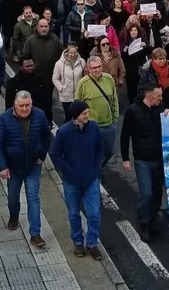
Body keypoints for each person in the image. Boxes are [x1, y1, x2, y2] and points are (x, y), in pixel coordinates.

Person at [0, 90, 52, 247]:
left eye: (28, 105)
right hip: (13, 167)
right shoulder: (5, 118)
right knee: (13, 196)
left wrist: (42, 155)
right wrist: (3, 166)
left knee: (33, 198)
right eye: (21, 106)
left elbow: (46, 136)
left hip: (33, 165)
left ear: (32, 103)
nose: (25, 109)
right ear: (15, 104)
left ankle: (35, 234)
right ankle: (14, 216)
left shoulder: (39, 115)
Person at [50, 100, 105, 259]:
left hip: (90, 178)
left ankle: (92, 243)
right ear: (76, 116)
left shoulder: (94, 128)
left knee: (94, 213)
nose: (87, 116)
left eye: (87, 112)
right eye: (84, 113)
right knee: (74, 213)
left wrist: (95, 166)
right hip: (71, 181)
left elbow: (100, 147)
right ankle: (78, 243)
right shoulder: (64, 132)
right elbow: (55, 154)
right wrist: (68, 169)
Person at [120, 83, 167, 243]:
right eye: (158, 96)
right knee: (146, 193)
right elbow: (125, 135)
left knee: (157, 193)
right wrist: (125, 158)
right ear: (149, 96)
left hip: (159, 158)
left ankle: (153, 219)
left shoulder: (160, 108)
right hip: (142, 160)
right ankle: (144, 223)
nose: (161, 99)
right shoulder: (133, 111)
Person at [75, 56, 120, 182]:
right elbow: (77, 105)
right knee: (93, 152)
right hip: (91, 126)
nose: (97, 70)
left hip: (109, 124)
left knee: (109, 151)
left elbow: (114, 99)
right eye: (94, 68)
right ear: (89, 69)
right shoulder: (83, 83)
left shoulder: (109, 78)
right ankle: (96, 175)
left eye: (99, 66)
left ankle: (98, 167)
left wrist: (115, 119)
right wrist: (80, 124)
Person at [52, 43, 86, 123]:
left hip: (79, 95)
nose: (73, 55)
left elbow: (85, 76)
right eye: (71, 52)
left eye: (74, 52)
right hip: (66, 96)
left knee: (78, 117)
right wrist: (61, 88)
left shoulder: (82, 62)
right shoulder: (59, 64)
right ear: (67, 52)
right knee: (68, 117)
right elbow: (55, 78)